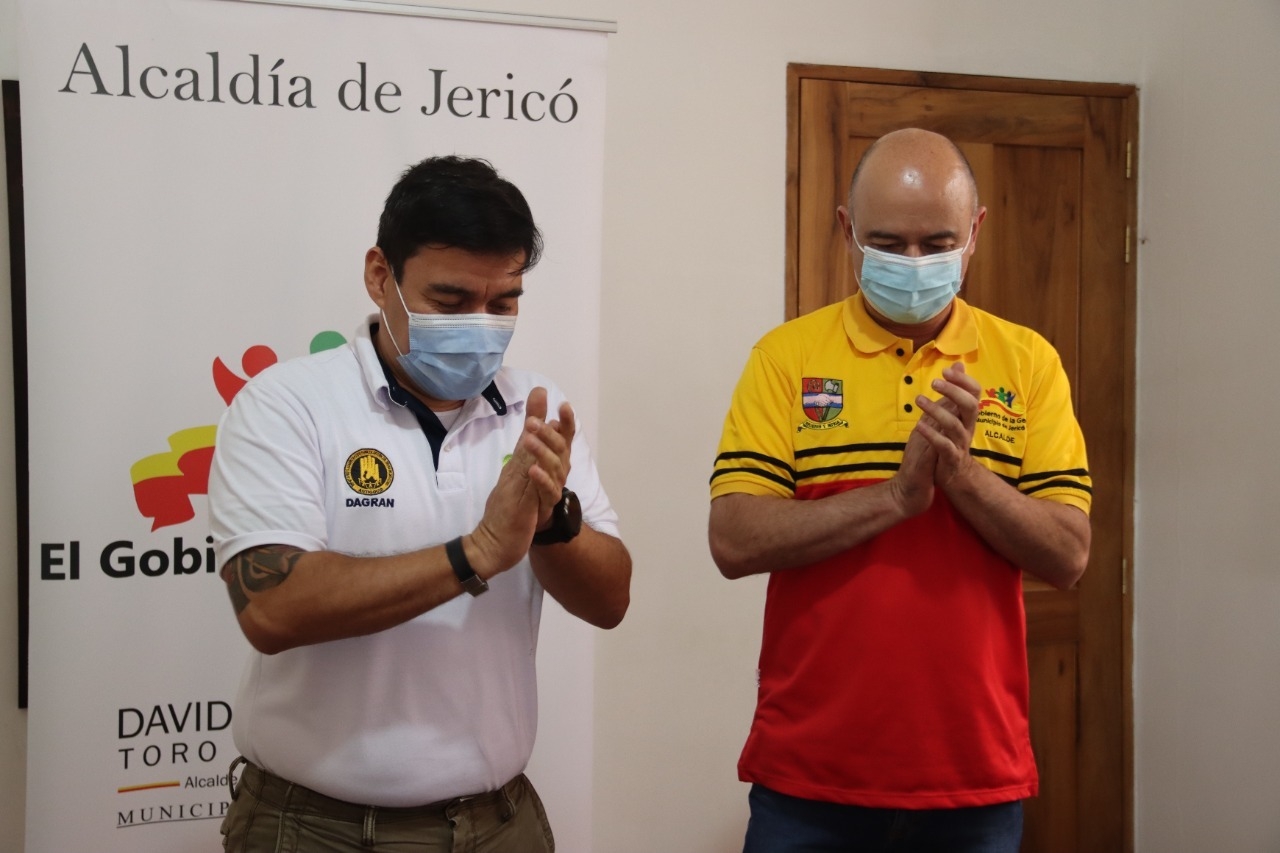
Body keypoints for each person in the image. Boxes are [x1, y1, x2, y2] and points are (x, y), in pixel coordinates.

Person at [209, 155, 631, 852]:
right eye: (451, 300)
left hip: (498, 821)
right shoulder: (288, 405)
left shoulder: (535, 410)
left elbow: (610, 600)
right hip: (316, 827)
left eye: (504, 303)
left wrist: (555, 521)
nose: (482, 325)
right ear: (381, 276)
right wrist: (475, 552)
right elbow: (271, 607)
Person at [707, 128, 1092, 852]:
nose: (914, 264)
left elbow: (1068, 554)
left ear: (975, 233)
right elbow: (732, 538)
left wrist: (964, 475)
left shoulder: (1029, 361)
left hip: (973, 777)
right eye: (888, 243)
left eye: (936, 241)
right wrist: (894, 498)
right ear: (848, 230)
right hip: (809, 777)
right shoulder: (786, 356)